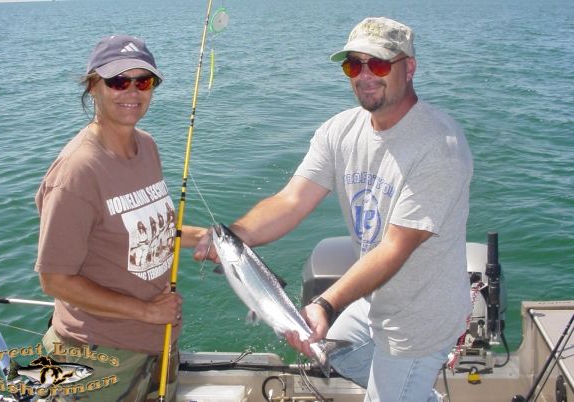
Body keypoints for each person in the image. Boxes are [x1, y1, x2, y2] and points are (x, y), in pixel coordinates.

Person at [194, 17, 473, 401]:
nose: (364, 76)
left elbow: (395, 248)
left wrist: (325, 304)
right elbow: (291, 201)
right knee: (333, 352)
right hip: (375, 300)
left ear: (409, 68)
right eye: (353, 65)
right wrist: (234, 240)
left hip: (419, 316)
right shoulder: (339, 131)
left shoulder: (440, 147)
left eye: (378, 64)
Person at [35, 34, 206, 401]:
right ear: (93, 86)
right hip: (95, 357)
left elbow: (149, 227)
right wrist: (145, 311)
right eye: (117, 81)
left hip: (158, 342)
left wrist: (206, 238)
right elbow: (54, 279)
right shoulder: (78, 171)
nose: (131, 91)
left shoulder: (147, 146)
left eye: (143, 82)